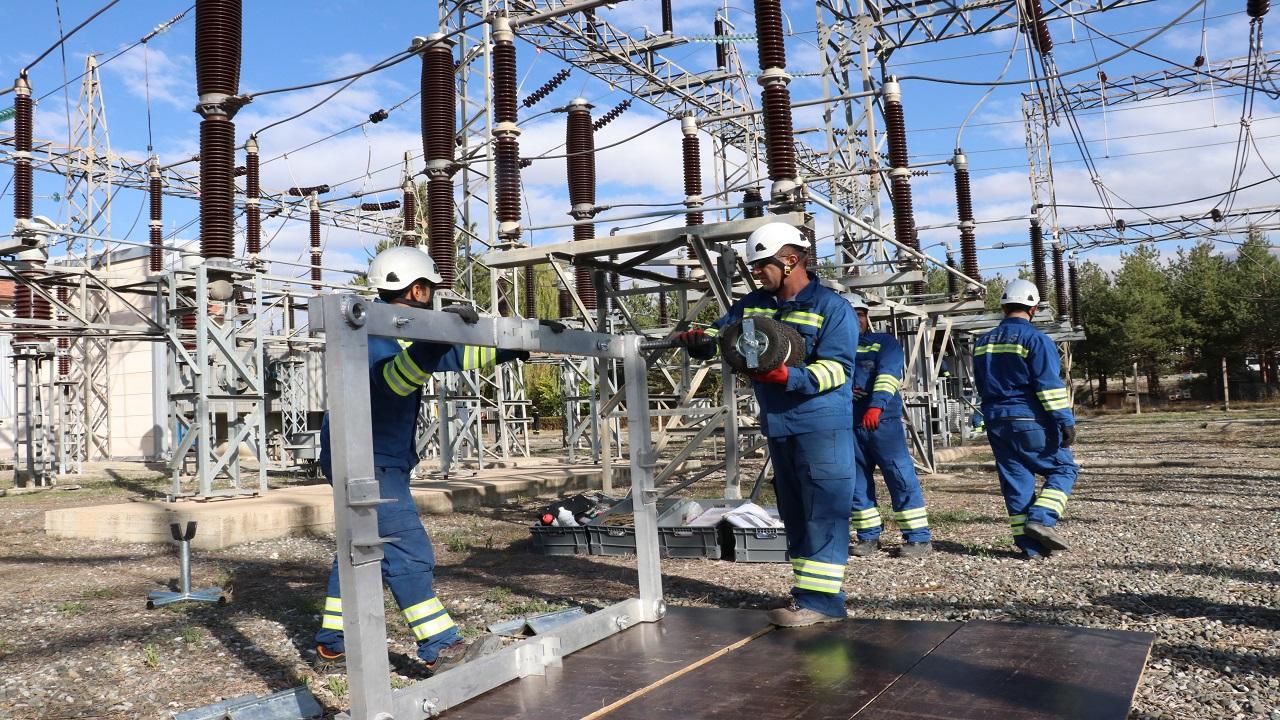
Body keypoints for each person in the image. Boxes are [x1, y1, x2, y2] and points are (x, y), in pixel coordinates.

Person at [314, 245, 526, 670]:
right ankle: (440, 647)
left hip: (371, 453)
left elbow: (452, 355)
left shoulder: (397, 330)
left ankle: (332, 643)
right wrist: (435, 342)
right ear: (416, 289)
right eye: (430, 288)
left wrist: (513, 346)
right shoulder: (373, 332)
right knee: (407, 550)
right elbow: (392, 380)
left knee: (359, 547)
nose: (433, 296)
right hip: (368, 459)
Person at [675, 222, 858, 627]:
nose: (757, 273)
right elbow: (725, 333)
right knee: (794, 512)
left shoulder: (831, 308)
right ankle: (809, 596)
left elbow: (838, 370)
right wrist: (700, 338)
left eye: (763, 265)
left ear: (791, 260)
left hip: (821, 425)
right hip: (779, 424)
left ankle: (824, 601)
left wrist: (788, 377)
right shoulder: (755, 304)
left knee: (822, 510)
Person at [972, 278, 1078, 559]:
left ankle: (1030, 547)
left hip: (996, 420)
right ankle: (1042, 519)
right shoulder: (1036, 340)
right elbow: (1048, 384)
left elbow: (981, 385)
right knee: (1063, 469)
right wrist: (1065, 420)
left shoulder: (983, 343)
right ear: (1033, 308)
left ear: (1004, 306)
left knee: (1016, 481)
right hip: (1029, 418)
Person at [845, 294, 932, 558]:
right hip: (848, 424)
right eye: (851, 315)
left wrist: (876, 405)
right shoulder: (833, 349)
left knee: (900, 475)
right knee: (856, 482)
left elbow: (888, 374)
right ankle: (868, 537)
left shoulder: (884, 343)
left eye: (861, 314)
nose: (857, 320)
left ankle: (917, 538)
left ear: (867, 317)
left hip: (881, 423)